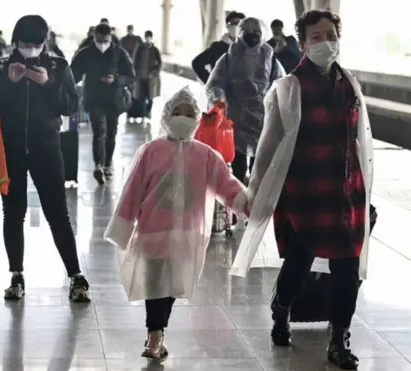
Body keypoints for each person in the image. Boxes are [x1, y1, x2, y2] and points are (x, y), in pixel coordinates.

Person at [229, 11, 374, 370]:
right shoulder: (289, 88)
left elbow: (361, 144)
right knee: (300, 260)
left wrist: (368, 189)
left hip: (346, 191)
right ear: (304, 43)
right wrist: (255, 190)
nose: (325, 41)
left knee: (347, 268)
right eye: (316, 36)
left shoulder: (350, 84)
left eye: (330, 34)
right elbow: (269, 145)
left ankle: (339, 338)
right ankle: (281, 308)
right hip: (306, 190)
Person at [105, 86, 249, 360]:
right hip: (153, 231)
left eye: (188, 114)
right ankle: (154, 335)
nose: (182, 118)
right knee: (156, 282)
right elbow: (132, 190)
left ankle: (158, 332)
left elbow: (225, 184)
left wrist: (244, 200)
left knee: (170, 285)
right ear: (166, 116)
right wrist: (123, 228)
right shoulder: (150, 151)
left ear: (196, 119)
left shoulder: (206, 156)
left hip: (187, 234)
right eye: (177, 112)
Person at [0, 15, 91, 303]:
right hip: (11, 149)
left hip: (47, 149)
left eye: (38, 44)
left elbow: (71, 107)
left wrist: (48, 84)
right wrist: (11, 83)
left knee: (58, 214)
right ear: (15, 41)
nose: (32, 49)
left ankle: (76, 276)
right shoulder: (2, 67)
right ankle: (16, 275)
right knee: (13, 213)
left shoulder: (57, 66)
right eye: (27, 44)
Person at [205, 17, 285, 185]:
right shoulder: (228, 57)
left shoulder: (270, 58)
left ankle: (255, 198)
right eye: (247, 32)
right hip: (236, 117)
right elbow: (215, 83)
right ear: (239, 34)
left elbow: (281, 84)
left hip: (262, 118)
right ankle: (237, 197)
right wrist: (219, 98)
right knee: (237, 161)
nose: (251, 35)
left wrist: (278, 106)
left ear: (263, 34)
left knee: (260, 162)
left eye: (256, 32)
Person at [71, 23, 135, 185]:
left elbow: (130, 76)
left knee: (111, 134)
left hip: (114, 100)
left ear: (110, 38)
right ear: (94, 38)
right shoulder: (85, 53)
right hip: (94, 99)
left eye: (105, 41)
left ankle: (107, 165)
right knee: (99, 131)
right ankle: (98, 165)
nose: (102, 44)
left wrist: (117, 80)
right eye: (99, 40)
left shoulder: (119, 53)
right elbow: (73, 74)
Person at [192, 11, 245, 83]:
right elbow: (197, 63)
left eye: (239, 24)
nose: (236, 27)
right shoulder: (217, 47)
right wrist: (211, 83)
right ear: (227, 26)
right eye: (233, 24)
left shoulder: (248, 49)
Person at [132, 30, 162, 119]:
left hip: (150, 78)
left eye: (149, 37)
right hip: (140, 77)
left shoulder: (155, 49)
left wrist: (154, 73)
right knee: (141, 96)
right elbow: (135, 61)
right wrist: (136, 72)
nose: (148, 39)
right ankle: (143, 113)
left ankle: (148, 111)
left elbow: (159, 63)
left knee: (150, 97)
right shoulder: (140, 48)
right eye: (147, 37)